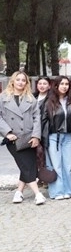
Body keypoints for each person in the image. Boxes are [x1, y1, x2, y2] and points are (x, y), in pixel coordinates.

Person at [0, 71, 47, 205]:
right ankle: (38, 194)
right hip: (13, 139)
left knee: (27, 165)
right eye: (18, 79)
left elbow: (37, 118)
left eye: (23, 80)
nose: (20, 82)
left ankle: (19, 192)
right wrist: (7, 132)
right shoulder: (3, 98)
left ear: (26, 83)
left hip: (28, 138)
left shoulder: (31, 99)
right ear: (13, 81)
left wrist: (36, 136)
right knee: (26, 165)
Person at [41, 76, 71, 200]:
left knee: (68, 166)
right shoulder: (49, 101)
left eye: (67, 84)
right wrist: (44, 139)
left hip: (69, 136)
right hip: (54, 136)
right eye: (62, 84)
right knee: (56, 165)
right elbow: (43, 120)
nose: (64, 86)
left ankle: (68, 190)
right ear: (56, 85)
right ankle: (57, 192)